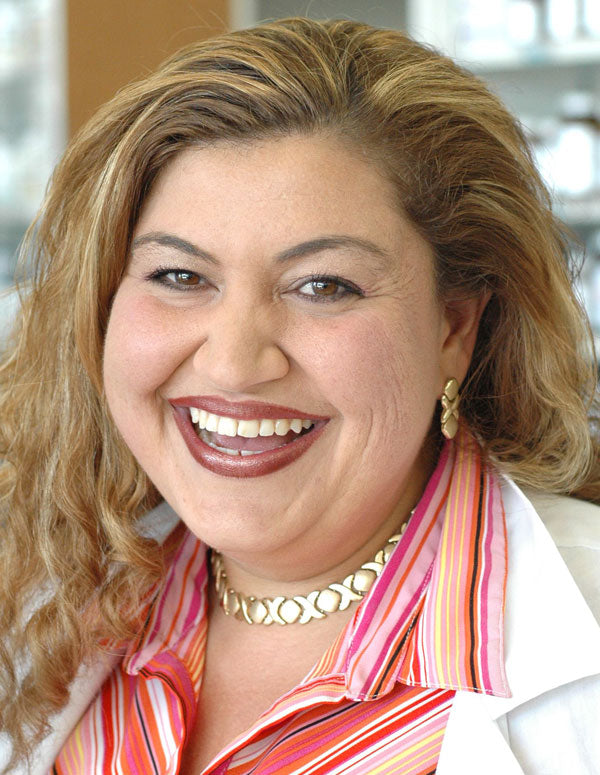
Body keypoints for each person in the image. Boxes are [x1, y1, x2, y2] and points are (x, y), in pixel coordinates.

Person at [1, 16, 599, 775]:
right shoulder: (44, 586)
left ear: (454, 326)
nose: (233, 364)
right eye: (180, 276)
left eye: (322, 286)